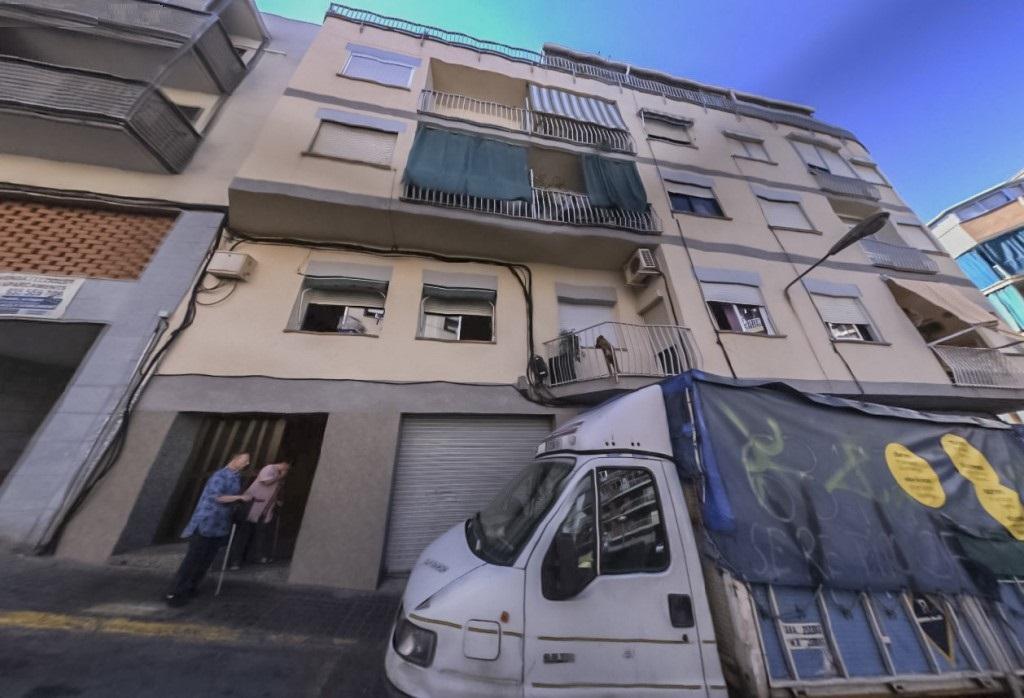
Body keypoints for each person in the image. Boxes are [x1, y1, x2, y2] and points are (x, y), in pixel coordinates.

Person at [165, 453, 250, 607]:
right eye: (245, 460)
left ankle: (191, 587)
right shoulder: (220, 476)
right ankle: (175, 592)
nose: (247, 463)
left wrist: (238, 503)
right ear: (235, 459)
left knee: (206, 560)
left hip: (220, 524)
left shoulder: (236, 477)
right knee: (193, 559)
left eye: (248, 461)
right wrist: (239, 498)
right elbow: (217, 497)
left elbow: (230, 498)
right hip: (206, 522)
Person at [228, 461, 289, 569]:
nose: (286, 471)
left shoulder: (279, 477)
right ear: (284, 464)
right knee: (243, 534)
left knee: (259, 535)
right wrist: (280, 476)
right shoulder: (269, 468)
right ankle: (235, 561)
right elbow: (266, 482)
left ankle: (255, 557)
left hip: (264, 510)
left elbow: (276, 491)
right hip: (251, 507)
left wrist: (278, 500)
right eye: (287, 468)